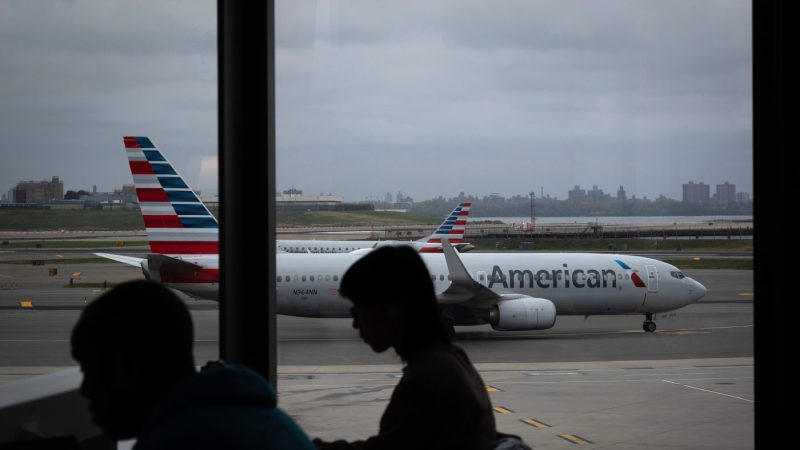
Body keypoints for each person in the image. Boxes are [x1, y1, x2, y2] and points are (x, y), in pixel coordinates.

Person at [71, 279, 314, 450]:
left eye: (93, 370)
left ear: (128, 367)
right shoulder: (258, 418)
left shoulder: (181, 440)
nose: (85, 389)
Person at [313, 246, 497, 450]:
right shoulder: (451, 360)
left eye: (359, 310)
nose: (355, 324)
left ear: (392, 309)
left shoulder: (426, 381)